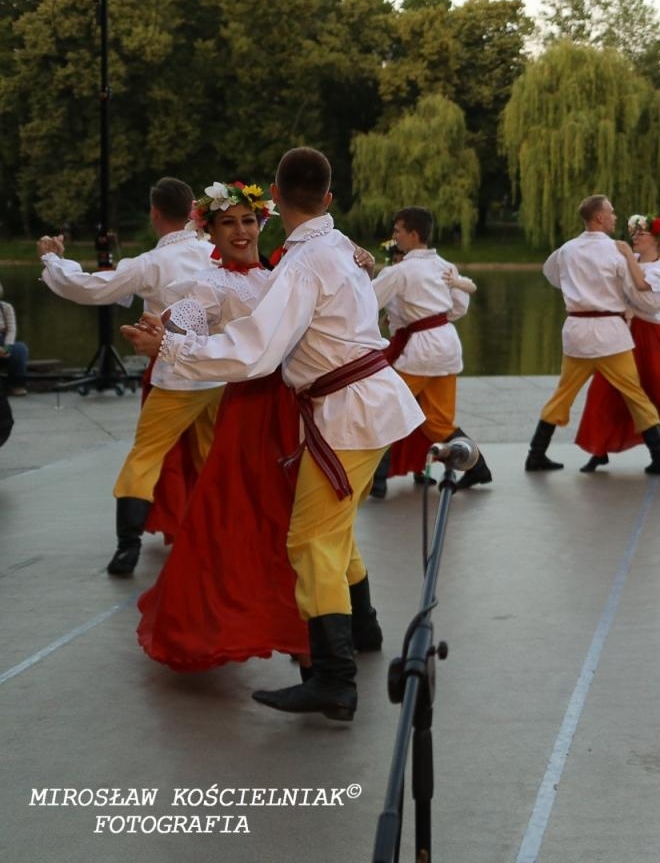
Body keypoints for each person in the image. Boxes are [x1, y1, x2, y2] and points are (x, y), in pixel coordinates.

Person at [124, 148, 424, 721]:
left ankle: (335, 680)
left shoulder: (303, 263)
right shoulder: (332, 248)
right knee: (330, 536)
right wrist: (174, 327)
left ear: (274, 203)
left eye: (248, 218)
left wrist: (168, 347)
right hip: (357, 407)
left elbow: (259, 351)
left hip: (346, 414)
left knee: (310, 542)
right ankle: (359, 634)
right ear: (329, 200)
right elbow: (220, 315)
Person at [128, 180, 310, 672]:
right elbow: (190, 313)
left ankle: (312, 626)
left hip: (291, 406)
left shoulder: (278, 272)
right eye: (228, 222)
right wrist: (166, 328)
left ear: (261, 224)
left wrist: (359, 257)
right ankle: (227, 624)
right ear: (210, 230)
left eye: (248, 221)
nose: (240, 230)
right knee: (239, 517)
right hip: (250, 410)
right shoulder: (214, 283)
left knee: (296, 518)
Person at [38, 178, 222, 576]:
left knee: (146, 456)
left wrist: (54, 260)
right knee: (211, 458)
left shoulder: (154, 264)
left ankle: (128, 547)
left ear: (155, 213)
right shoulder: (216, 252)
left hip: (178, 376)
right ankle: (220, 538)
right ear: (193, 210)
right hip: (222, 373)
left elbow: (87, 287)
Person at [524, 194, 660, 475]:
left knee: (563, 394)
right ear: (599, 217)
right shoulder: (616, 251)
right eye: (612, 213)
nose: (615, 217)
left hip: (577, 332)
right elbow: (631, 289)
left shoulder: (567, 250)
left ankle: (536, 453)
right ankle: (659, 456)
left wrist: (578, 289)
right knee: (635, 394)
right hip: (611, 335)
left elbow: (551, 274)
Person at [368, 206, 492, 494]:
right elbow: (459, 308)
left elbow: (367, 300)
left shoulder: (400, 271)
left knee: (387, 409)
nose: (395, 235)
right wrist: (430, 317)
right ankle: (478, 467)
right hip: (447, 346)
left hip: (420, 352)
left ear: (413, 234)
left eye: (398, 230)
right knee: (438, 422)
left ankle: (379, 480)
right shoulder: (446, 267)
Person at [575, 213, 660, 473]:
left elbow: (643, 286)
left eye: (641, 235)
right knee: (603, 388)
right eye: (634, 235)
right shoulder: (626, 261)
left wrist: (627, 257)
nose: (635, 238)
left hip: (649, 334)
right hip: (621, 331)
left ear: (656, 241)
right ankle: (599, 449)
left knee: (658, 391)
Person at [0, 282, 29, 396]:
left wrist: (7, 347)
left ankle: (16, 385)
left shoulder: (6, 307)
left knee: (20, 349)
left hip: (4, 340)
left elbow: (11, 330)